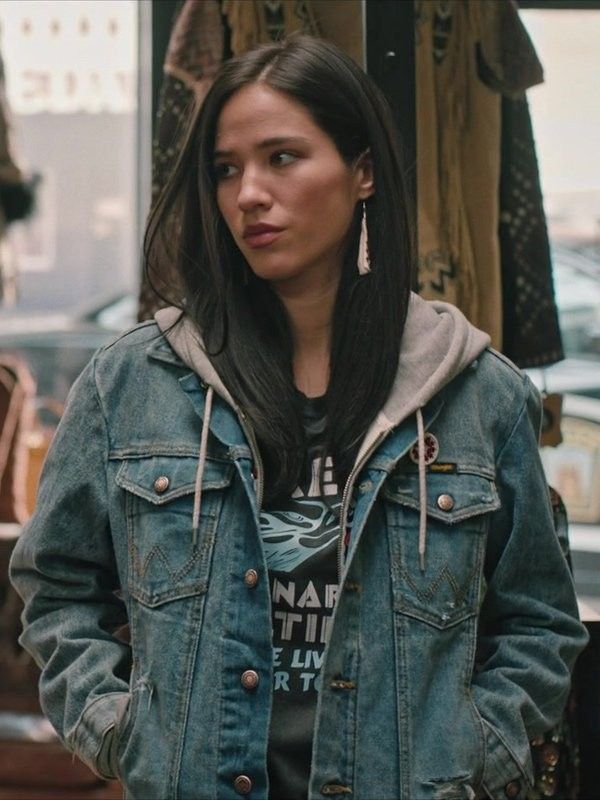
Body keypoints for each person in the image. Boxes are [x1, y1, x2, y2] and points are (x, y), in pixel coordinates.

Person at [9, 34, 587, 800]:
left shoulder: (476, 393)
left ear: (364, 173)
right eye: (226, 169)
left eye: (282, 157)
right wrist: (121, 730)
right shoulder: (134, 385)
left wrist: (471, 749)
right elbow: (56, 587)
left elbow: (538, 623)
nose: (248, 192)